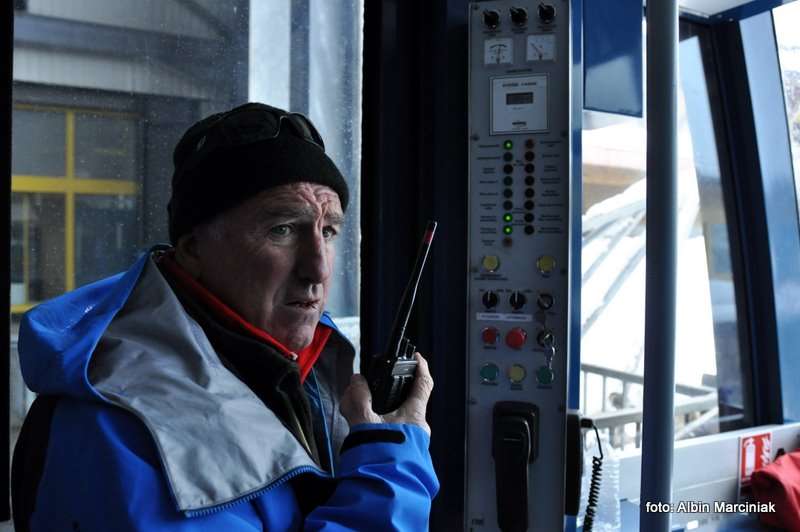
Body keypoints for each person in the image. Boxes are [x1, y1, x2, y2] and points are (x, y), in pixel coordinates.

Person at [15, 102, 438, 531]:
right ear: (194, 248)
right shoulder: (122, 427)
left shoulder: (297, 370)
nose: (319, 269)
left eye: (328, 232)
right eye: (283, 229)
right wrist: (389, 474)